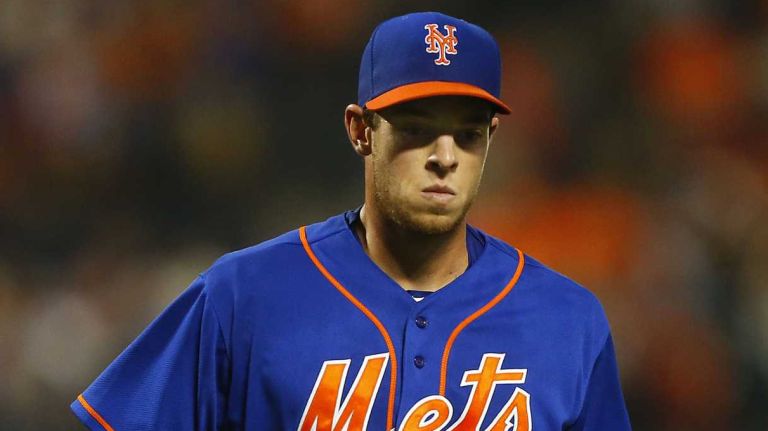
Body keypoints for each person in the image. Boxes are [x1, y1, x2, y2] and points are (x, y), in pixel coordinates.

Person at [71, 11, 631, 430]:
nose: (444, 155)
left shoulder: (567, 320)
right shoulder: (243, 295)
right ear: (361, 130)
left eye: (467, 133)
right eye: (415, 126)